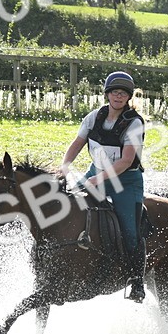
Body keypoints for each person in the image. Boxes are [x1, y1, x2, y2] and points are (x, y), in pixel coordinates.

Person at [58, 71, 147, 302]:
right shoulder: (93, 117)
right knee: (64, 207)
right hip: (95, 173)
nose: (118, 96)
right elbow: (78, 143)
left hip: (125, 182)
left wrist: (97, 181)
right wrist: (65, 166)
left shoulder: (134, 123)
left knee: (130, 231)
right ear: (107, 94)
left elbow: (126, 161)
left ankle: (137, 281)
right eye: (114, 92)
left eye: (123, 93)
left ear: (128, 97)